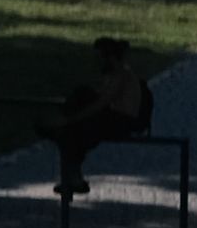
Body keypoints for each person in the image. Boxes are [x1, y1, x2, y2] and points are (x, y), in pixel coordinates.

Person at [50, 36, 156, 200]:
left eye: (98, 58)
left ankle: (73, 174)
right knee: (75, 119)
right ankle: (73, 174)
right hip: (115, 119)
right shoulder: (113, 76)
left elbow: (101, 104)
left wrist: (72, 119)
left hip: (125, 122)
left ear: (109, 58)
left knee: (80, 113)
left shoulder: (121, 75)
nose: (95, 63)